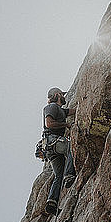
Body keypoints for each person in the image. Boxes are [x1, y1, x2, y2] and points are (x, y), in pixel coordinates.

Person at [43, 87, 76, 215]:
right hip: (53, 141)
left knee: (58, 175)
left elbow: (72, 111)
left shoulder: (60, 111)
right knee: (71, 146)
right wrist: (66, 125)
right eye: (62, 94)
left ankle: (52, 201)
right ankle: (69, 175)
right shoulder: (52, 107)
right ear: (57, 95)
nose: (64, 97)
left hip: (50, 148)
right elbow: (49, 124)